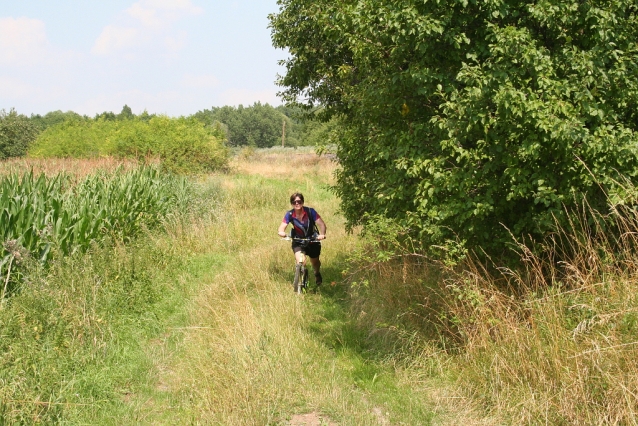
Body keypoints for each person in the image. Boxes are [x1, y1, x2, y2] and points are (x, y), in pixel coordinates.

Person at [278, 192, 326, 286]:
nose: (296, 203)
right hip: (298, 241)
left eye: (299, 201)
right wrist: (282, 233)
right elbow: (281, 228)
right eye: (294, 202)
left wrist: (322, 234)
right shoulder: (290, 214)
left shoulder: (310, 212)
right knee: (301, 261)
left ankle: (316, 273)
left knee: (315, 262)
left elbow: (322, 224)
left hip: (312, 240)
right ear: (291, 204)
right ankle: (302, 280)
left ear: (302, 202)